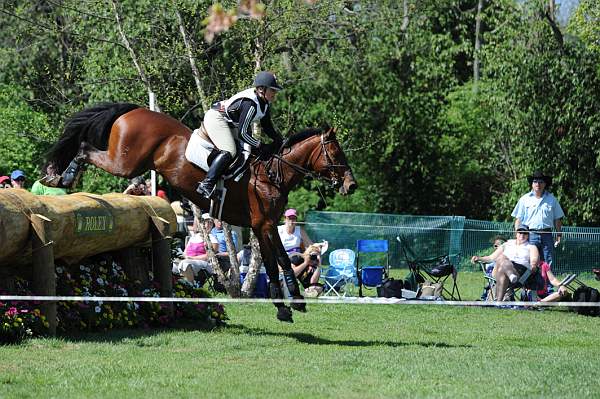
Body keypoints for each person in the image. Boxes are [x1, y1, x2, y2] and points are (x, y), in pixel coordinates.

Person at [195, 71, 284, 198]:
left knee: (247, 152)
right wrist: (259, 144)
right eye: (273, 90)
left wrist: (279, 140)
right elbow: (243, 133)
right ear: (261, 89)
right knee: (230, 150)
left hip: (231, 124)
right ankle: (206, 184)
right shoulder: (251, 104)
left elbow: (267, 126)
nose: (275, 93)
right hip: (217, 118)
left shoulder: (264, 103)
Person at [471, 225, 541, 302]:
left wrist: (533, 265)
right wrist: (478, 258)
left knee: (502, 268)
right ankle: (510, 275)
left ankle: (498, 302)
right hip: (501, 271)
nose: (522, 235)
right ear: (516, 234)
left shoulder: (531, 246)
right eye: (520, 232)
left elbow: (534, 259)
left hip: (519, 274)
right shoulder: (508, 243)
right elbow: (491, 258)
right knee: (502, 258)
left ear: (528, 235)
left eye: (525, 233)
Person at [512, 170, 564, 265]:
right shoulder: (524, 199)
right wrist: (518, 235)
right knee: (530, 261)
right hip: (530, 234)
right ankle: (532, 280)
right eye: (535, 181)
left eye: (540, 182)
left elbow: (557, 219)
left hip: (547, 234)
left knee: (548, 261)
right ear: (532, 184)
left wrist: (559, 235)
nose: (538, 184)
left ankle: (546, 280)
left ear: (545, 184)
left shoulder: (552, 199)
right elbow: (518, 219)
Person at [175, 213, 219, 283]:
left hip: (204, 263)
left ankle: (191, 286)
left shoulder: (212, 238)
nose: (207, 225)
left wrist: (192, 258)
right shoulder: (194, 237)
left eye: (210, 223)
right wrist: (184, 256)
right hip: (189, 260)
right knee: (174, 264)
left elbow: (210, 256)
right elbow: (185, 251)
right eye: (205, 223)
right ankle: (181, 287)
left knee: (185, 264)